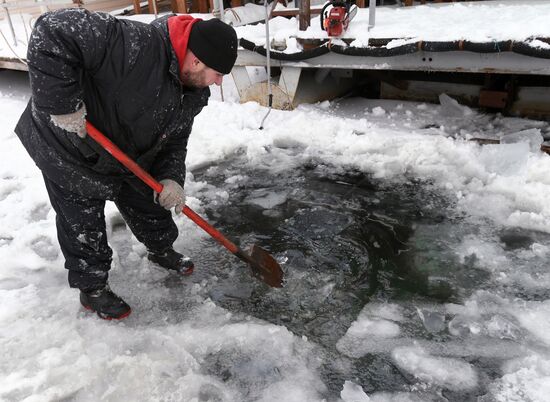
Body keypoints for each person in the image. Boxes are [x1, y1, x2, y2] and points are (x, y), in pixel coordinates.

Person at [15, 8, 238, 320]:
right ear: (197, 59)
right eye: (218, 73)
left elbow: (174, 140)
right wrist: (61, 105)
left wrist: (171, 178)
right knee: (82, 220)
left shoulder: (194, 92)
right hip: (66, 141)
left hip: (125, 148)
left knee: (149, 197)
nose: (217, 83)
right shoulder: (134, 44)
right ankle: (93, 289)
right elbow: (52, 30)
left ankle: (161, 250)